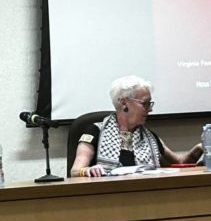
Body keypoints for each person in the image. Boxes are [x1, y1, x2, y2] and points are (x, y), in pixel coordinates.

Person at [70, 75, 202, 178]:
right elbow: (75, 171)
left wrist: (200, 148)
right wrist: (87, 171)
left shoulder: (150, 137)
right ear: (123, 102)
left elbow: (179, 163)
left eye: (150, 104)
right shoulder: (95, 131)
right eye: (145, 103)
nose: (150, 109)